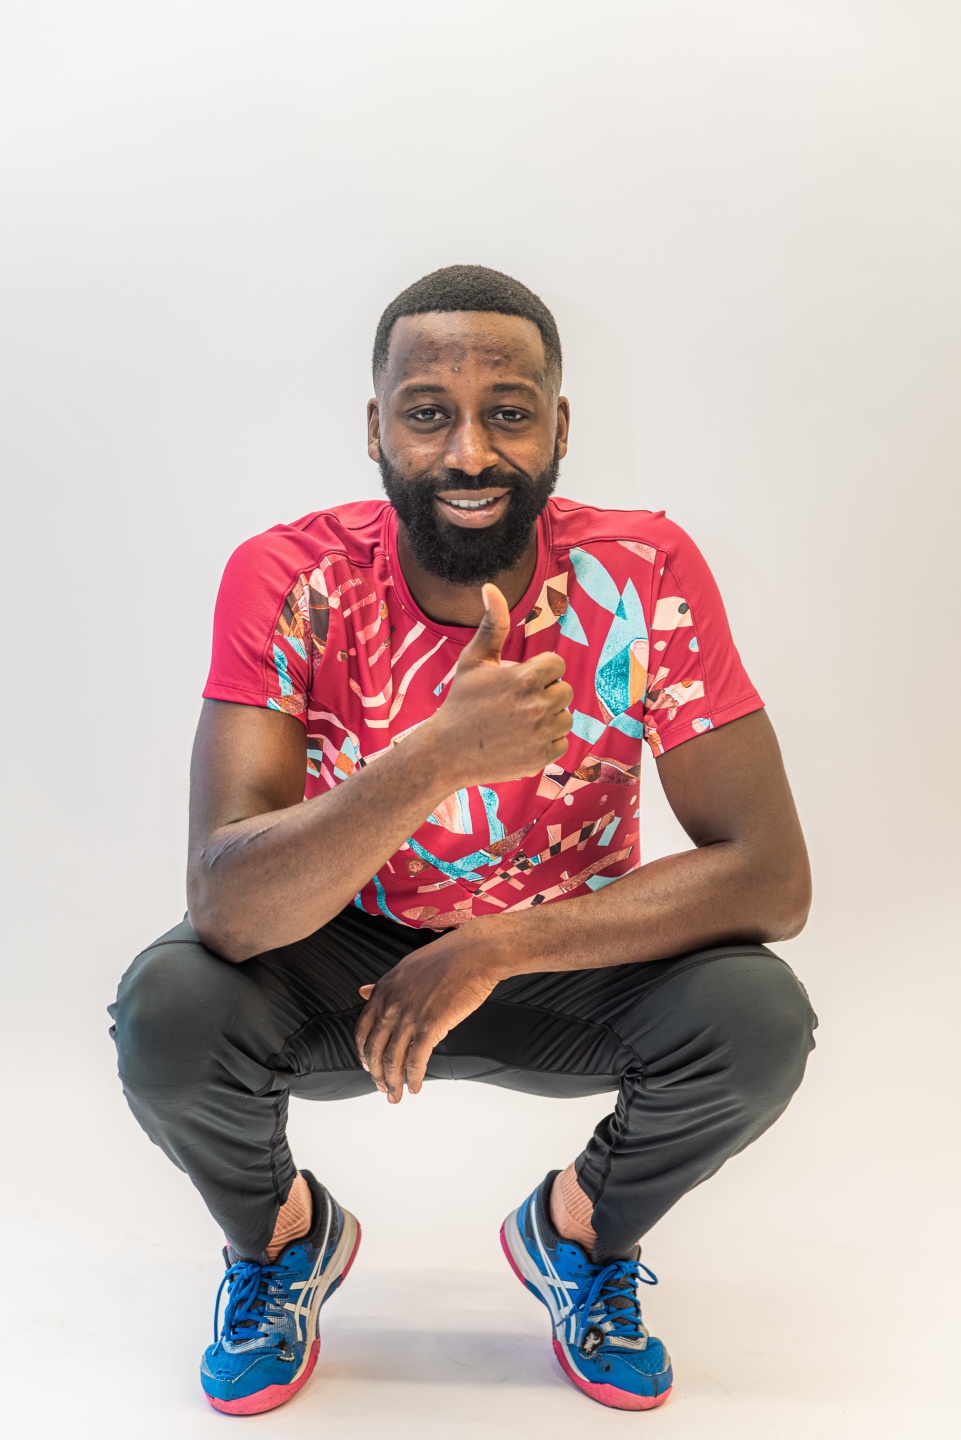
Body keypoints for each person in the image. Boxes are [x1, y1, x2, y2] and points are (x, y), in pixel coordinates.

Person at [109, 264, 816, 1416]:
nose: (470, 452)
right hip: (344, 954)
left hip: (562, 959)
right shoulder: (289, 578)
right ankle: (282, 1240)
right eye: (429, 412)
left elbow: (770, 876)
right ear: (376, 429)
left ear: (560, 429)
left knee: (756, 1018)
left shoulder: (642, 574)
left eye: (509, 413)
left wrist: (495, 945)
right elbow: (227, 908)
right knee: (168, 1010)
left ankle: (579, 1236)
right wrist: (436, 757)